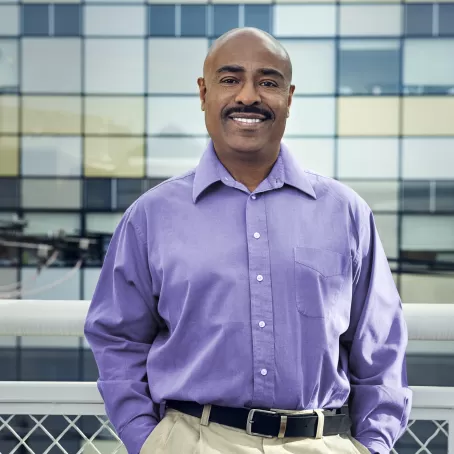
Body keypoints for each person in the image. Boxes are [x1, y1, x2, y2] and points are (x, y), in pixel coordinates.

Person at [84, 27, 412, 454]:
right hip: (191, 441)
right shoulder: (151, 216)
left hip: (320, 443)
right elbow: (117, 337)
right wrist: (146, 439)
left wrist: (373, 446)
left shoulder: (346, 213)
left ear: (288, 98)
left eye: (268, 82)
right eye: (230, 79)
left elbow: (380, 345)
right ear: (204, 93)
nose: (248, 96)